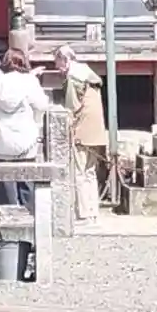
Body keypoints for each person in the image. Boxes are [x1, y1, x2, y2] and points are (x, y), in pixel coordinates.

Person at [0, 47, 51, 282]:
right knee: (28, 196)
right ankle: (28, 252)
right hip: (25, 145)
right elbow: (42, 105)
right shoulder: (28, 82)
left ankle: (7, 252)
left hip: (0, 145)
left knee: (4, 197)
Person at [53, 46, 107, 222]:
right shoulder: (88, 74)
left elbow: (72, 108)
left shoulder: (73, 78)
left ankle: (83, 214)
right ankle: (93, 211)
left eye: (58, 63)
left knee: (80, 172)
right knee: (90, 172)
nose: (57, 68)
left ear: (65, 60)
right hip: (97, 129)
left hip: (82, 130)